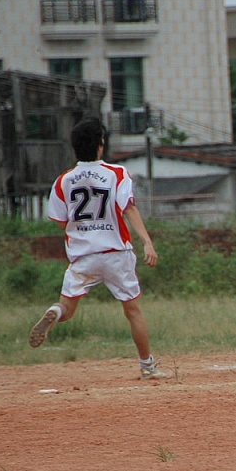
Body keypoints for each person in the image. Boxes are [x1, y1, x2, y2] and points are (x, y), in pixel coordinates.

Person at [29, 118, 169, 380]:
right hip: (116, 254)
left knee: (67, 309)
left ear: (74, 147)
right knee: (132, 310)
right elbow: (129, 208)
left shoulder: (63, 181)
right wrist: (147, 241)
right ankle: (147, 367)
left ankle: (55, 312)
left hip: (83, 256)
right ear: (100, 145)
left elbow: (61, 222)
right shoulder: (117, 173)